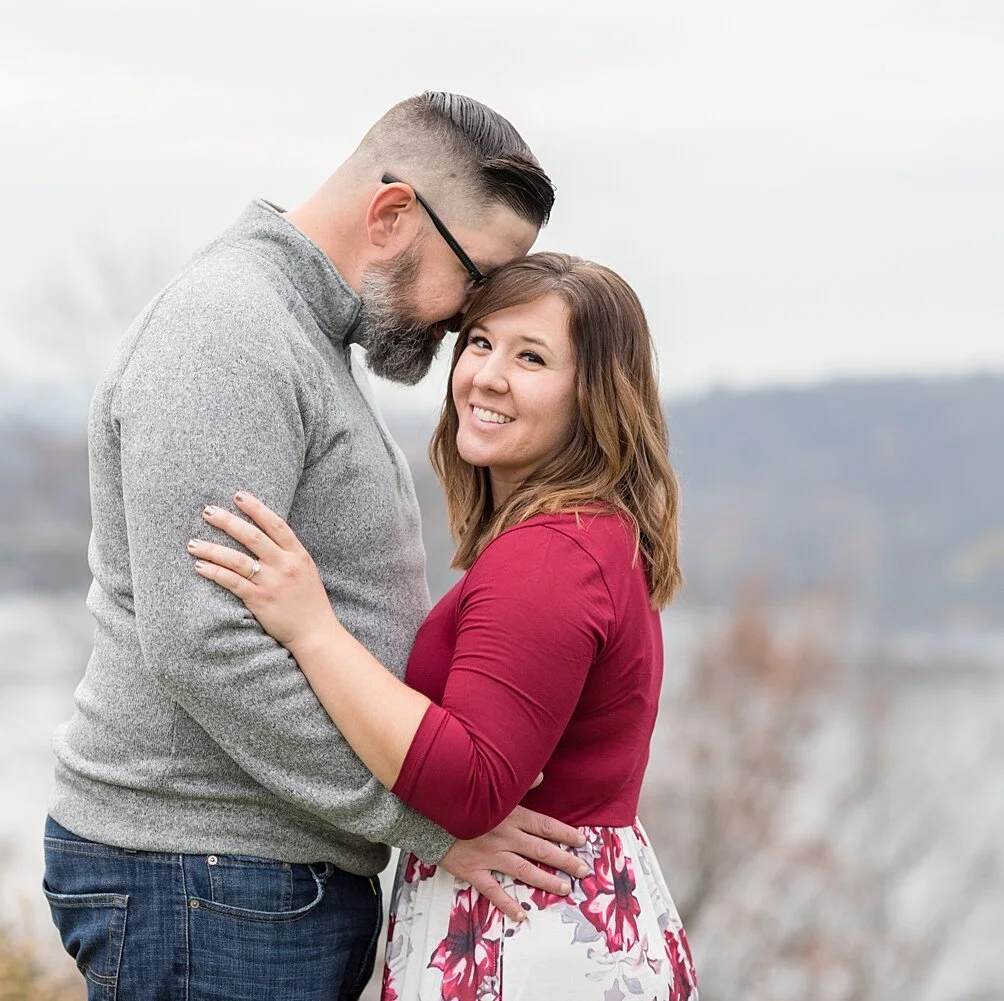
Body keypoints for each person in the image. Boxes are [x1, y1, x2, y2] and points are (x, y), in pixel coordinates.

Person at [45, 93, 592, 1000]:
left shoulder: (298, 333)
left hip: (245, 878)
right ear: (391, 216)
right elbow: (204, 643)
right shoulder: (229, 334)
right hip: (207, 876)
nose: (466, 324)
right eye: (475, 279)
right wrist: (426, 822)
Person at [190, 252, 700, 1000]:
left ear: (592, 395)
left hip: (527, 939)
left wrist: (312, 628)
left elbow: (470, 789)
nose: (487, 375)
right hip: (556, 920)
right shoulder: (586, 535)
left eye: (532, 357)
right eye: (481, 343)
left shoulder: (549, 557)